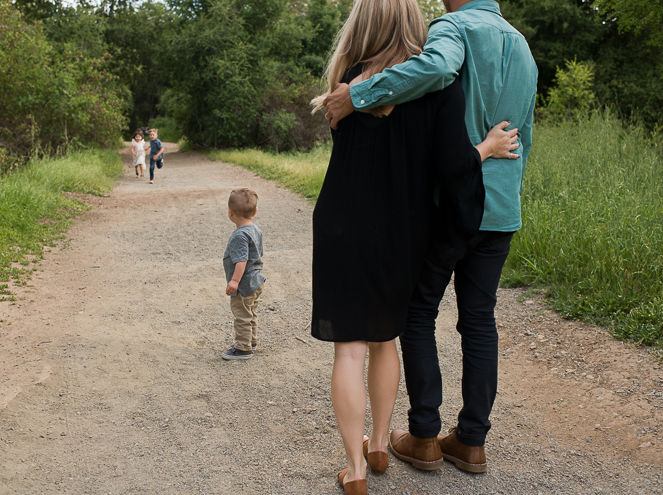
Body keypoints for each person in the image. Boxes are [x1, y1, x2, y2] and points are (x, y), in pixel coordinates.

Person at [310, 0, 523, 493]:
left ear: (362, 23)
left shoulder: (347, 82)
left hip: (342, 222)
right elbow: (451, 166)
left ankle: (356, 471)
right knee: (387, 338)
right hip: (403, 226)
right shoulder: (441, 85)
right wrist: (486, 150)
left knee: (349, 349)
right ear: (413, 23)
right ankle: (380, 444)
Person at [221, 188, 266, 361]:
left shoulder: (239, 236)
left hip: (244, 284)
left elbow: (242, 261)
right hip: (255, 280)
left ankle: (242, 348)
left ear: (229, 212)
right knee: (250, 313)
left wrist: (234, 281)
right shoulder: (255, 229)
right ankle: (251, 341)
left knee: (242, 316)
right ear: (254, 212)